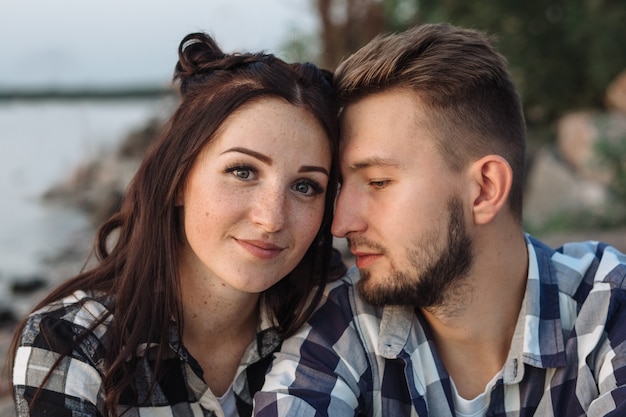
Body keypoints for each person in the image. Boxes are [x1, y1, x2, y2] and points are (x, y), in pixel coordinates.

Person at [254, 22, 626, 417]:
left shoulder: (607, 308)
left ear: (484, 188)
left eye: (378, 181)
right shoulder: (345, 322)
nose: (341, 224)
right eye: (343, 185)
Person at [9, 31, 344, 417]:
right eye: (242, 171)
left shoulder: (335, 317)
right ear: (179, 180)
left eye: (306, 186)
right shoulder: (71, 343)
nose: (271, 219)